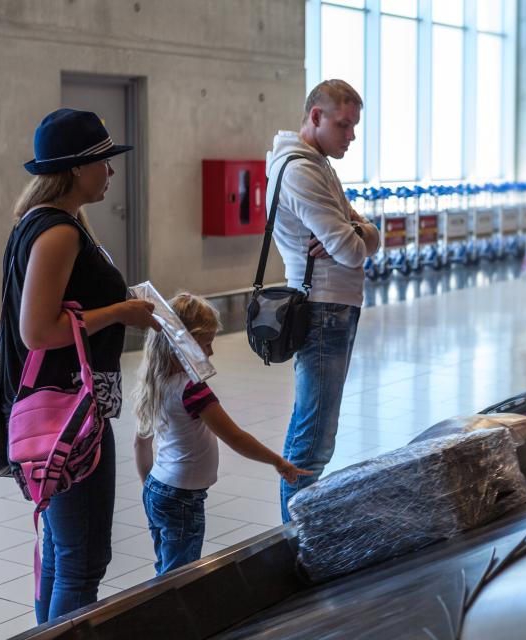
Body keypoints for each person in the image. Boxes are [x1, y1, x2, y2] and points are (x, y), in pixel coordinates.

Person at [0, 109, 160, 622]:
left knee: (63, 554)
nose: (111, 171)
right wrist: (119, 312)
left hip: (62, 409)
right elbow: (38, 331)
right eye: (103, 161)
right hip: (69, 416)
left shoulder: (46, 223)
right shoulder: (59, 232)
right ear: (75, 168)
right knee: (81, 562)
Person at [266, 79, 381, 523]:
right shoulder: (301, 170)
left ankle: (297, 531)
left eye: (354, 126)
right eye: (344, 125)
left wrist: (359, 230)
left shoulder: (318, 164)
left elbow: (364, 235)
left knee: (314, 432)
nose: (350, 136)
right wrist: (356, 234)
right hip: (322, 309)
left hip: (333, 306)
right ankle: (296, 537)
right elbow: (352, 250)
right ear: (316, 116)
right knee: (313, 440)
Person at [133, 293, 308, 575]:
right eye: (206, 344)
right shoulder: (191, 388)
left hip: (158, 488)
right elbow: (235, 437)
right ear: (183, 342)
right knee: (180, 576)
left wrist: (148, 488)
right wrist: (277, 461)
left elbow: (140, 444)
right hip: (181, 497)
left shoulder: (155, 381)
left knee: (165, 566)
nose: (211, 353)